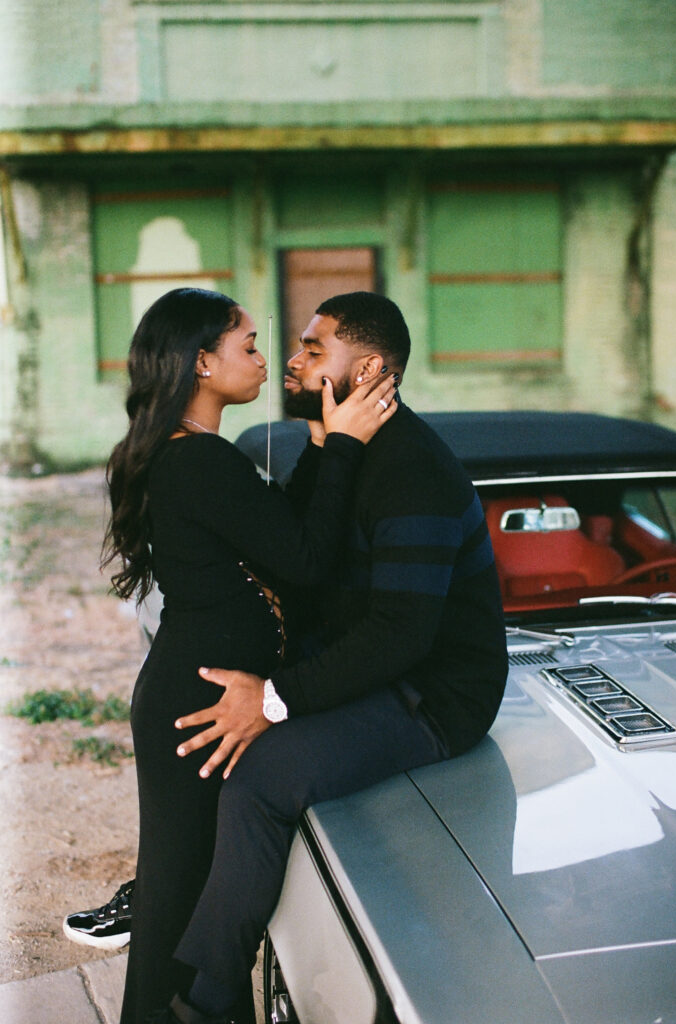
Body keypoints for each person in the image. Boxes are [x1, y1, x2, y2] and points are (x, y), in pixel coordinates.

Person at [146, 292, 509, 1024]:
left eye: (314, 349)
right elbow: (299, 562)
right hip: (369, 669)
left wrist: (273, 697)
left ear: (369, 367)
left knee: (262, 773)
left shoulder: (415, 471)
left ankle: (205, 998)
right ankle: (174, 931)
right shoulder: (336, 452)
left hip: (433, 695)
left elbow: (400, 637)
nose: (292, 357)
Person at [84, 287, 397, 1024]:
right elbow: (306, 558)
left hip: (192, 695)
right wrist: (346, 443)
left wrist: (323, 444)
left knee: (186, 893)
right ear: (201, 362)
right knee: (177, 899)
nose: (265, 360)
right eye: (249, 345)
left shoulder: (194, 455)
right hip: (197, 706)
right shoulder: (197, 462)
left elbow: (276, 528)